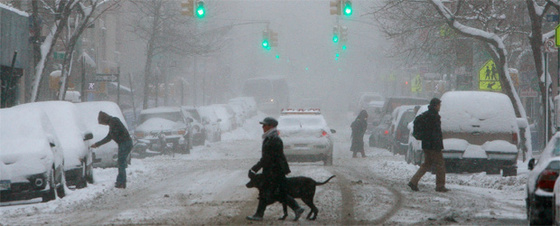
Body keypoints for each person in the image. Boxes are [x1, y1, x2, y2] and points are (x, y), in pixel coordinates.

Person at [246, 117, 305, 221]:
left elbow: (268, 158)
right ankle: (297, 208)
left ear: (271, 126)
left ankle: (259, 214)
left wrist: (255, 168)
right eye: (262, 125)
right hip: (274, 171)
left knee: (268, 192)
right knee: (278, 193)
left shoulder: (274, 139)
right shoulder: (270, 138)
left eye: (265, 125)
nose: (263, 127)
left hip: (275, 171)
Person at [408, 98, 448, 192]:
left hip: (426, 144)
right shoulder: (434, 116)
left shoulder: (426, 115)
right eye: (439, 105)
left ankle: (413, 181)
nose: (440, 107)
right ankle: (440, 186)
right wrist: (438, 145)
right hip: (434, 145)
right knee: (440, 165)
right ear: (436, 105)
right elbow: (436, 133)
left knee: (427, 164)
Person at [91, 111, 132, 189]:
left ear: (104, 119)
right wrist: (97, 144)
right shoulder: (112, 123)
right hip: (125, 143)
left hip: (125, 143)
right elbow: (110, 137)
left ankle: (121, 182)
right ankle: (120, 182)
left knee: (121, 163)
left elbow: (110, 136)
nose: (104, 125)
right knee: (121, 163)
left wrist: (97, 144)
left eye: (102, 123)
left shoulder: (114, 121)